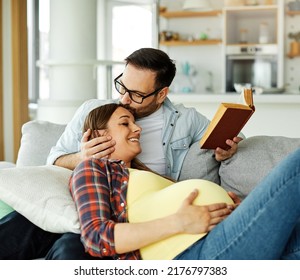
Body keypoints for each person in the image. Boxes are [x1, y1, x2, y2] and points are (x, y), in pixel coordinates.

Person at [0, 48, 242, 260]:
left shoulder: (186, 120)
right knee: (34, 224)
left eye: (136, 94)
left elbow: (227, 136)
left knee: (72, 245)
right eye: (122, 86)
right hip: (87, 199)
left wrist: (226, 149)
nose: (124, 98)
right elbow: (53, 161)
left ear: (161, 94)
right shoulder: (96, 111)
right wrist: (81, 158)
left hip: (134, 208)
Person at [69, 103, 300, 260]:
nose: (137, 128)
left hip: (220, 237)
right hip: (191, 256)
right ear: (99, 135)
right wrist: (180, 222)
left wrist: (232, 210)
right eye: (125, 123)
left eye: (134, 122)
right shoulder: (93, 168)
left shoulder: (148, 175)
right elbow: (97, 238)